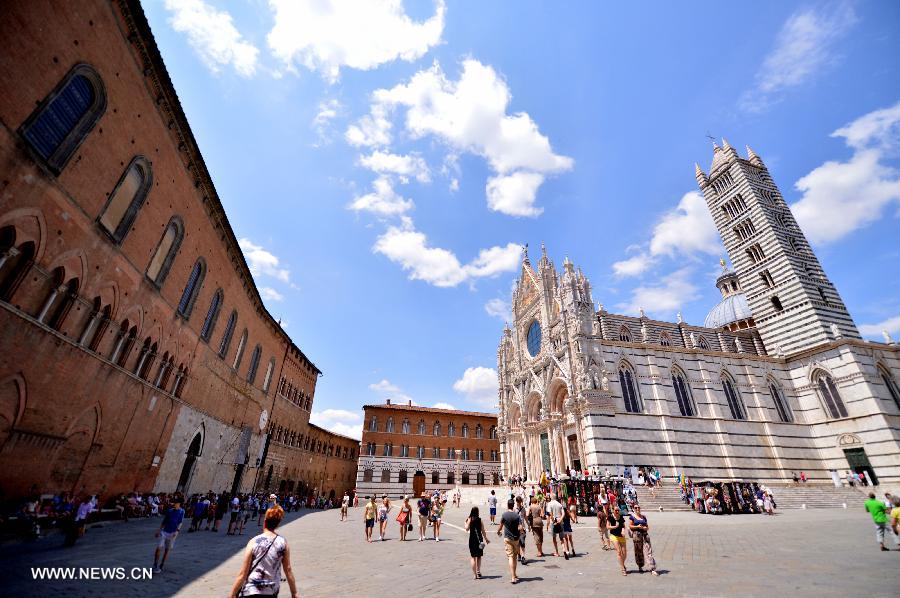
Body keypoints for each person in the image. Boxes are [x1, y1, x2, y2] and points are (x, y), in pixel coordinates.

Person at [229, 504, 299, 598]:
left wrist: (232, 594)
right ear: (278, 524)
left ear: (264, 521)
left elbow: (243, 573)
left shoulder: (254, 541)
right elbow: (288, 570)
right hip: (270, 591)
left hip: (251, 590)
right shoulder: (283, 543)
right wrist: (294, 593)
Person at [154, 497, 185, 573]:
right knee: (158, 547)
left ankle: (161, 565)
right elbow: (164, 521)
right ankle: (155, 565)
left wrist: (177, 531)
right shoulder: (169, 511)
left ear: (179, 504)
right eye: (173, 503)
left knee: (166, 550)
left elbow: (180, 522)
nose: (174, 504)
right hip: (164, 532)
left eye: (175, 503)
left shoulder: (182, 511)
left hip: (173, 533)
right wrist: (159, 530)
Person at [628, 504, 658, 575]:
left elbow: (647, 526)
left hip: (645, 535)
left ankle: (652, 568)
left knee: (648, 551)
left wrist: (645, 528)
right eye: (635, 507)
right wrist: (637, 526)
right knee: (638, 552)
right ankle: (640, 566)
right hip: (637, 536)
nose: (637, 508)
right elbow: (630, 526)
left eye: (638, 507)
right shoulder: (632, 517)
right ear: (633, 509)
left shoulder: (643, 517)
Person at [496, 499, 521, 584]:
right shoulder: (517, 516)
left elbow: (501, 525)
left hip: (507, 538)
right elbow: (520, 527)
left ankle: (513, 577)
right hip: (516, 538)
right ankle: (515, 573)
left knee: (510, 556)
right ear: (513, 505)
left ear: (507, 505)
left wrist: (498, 531)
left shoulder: (504, 515)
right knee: (515, 557)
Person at [465, 506, 489, 579]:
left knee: (473, 557)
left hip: (472, 539)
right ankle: (478, 571)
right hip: (479, 540)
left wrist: (465, 522)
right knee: (479, 556)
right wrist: (486, 539)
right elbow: (483, 531)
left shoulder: (470, 519)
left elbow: (466, 529)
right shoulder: (480, 520)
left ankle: (474, 575)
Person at [609, 505, 628, 575]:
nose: (617, 511)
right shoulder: (610, 517)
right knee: (619, 552)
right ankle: (623, 568)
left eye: (618, 510)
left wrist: (623, 530)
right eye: (616, 510)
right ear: (613, 510)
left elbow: (623, 526)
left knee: (625, 553)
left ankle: (622, 563)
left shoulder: (621, 517)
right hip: (613, 536)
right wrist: (615, 526)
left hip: (621, 536)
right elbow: (608, 526)